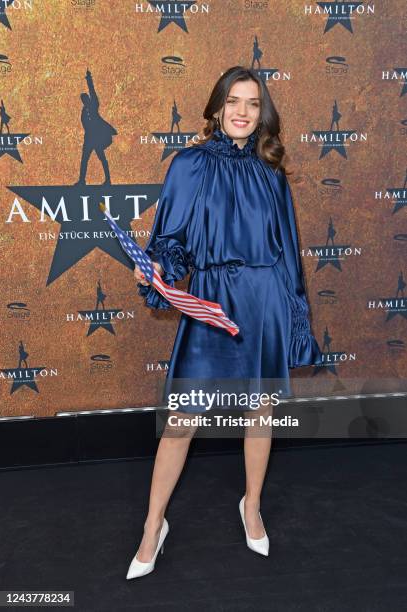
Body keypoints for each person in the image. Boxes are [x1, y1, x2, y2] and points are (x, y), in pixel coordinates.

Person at [127, 65, 324, 579]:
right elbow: (170, 241)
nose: (242, 112)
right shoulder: (190, 165)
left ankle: (251, 506)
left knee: (260, 415)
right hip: (213, 299)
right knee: (180, 423)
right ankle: (153, 527)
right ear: (216, 108)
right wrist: (158, 270)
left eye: (253, 103)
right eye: (233, 101)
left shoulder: (270, 170)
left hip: (265, 302)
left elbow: (289, 255)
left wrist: (295, 319)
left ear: (262, 113)